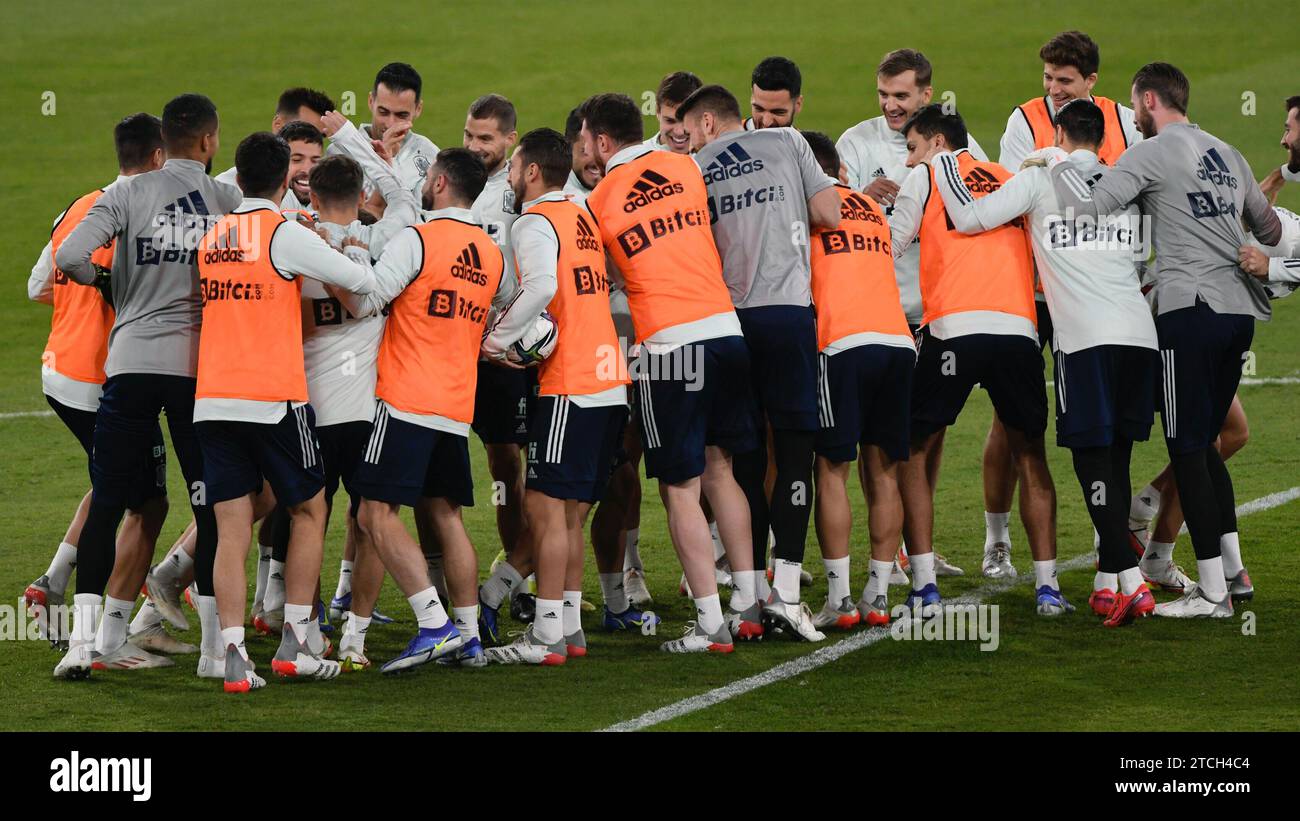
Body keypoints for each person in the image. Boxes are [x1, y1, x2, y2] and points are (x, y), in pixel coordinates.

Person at [1048, 62, 1282, 617]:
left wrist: (1054, 165)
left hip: (1188, 311)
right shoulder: (1229, 152)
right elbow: (1269, 230)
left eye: (1134, 105)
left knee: (1186, 446)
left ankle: (1214, 596)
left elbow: (1085, 209)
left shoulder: (1149, 153)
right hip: (1238, 314)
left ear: (1150, 100)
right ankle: (1232, 573)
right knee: (1203, 443)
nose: (1132, 116)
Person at [932, 99, 1159, 625]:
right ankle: (1109, 582)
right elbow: (1144, 261)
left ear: (1058, 132)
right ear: (1103, 141)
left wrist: (943, 160)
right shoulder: (1124, 186)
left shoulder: (1038, 181)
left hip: (1085, 341)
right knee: (1117, 457)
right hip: (1138, 336)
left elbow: (969, 217)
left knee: (1089, 460)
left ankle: (1131, 580)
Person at [53, 93, 243, 681]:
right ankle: (215, 654)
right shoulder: (227, 200)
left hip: (132, 362)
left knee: (109, 498)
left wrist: (112, 283)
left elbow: (69, 255)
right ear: (209, 142)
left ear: (167, 140)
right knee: (208, 507)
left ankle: (82, 646)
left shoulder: (129, 193)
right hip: (196, 371)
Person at [193, 131, 376, 692]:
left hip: (214, 399)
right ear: (281, 183)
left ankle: (230, 655)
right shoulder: (281, 233)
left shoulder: (212, 237)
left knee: (229, 529)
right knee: (308, 510)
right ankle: (297, 639)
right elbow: (360, 283)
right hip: (274, 398)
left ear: (237, 178)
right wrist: (343, 248)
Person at [582, 92, 756, 653]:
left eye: (587, 140)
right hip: (728, 332)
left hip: (670, 347)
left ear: (602, 143)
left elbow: (611, 276)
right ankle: (750, 605)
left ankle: (710, 625)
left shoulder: (599, 200)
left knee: (679, 487)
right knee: (721, 469)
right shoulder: (685, 166)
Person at [335, 148, 512, 673]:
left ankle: (433, 625)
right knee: (444, 516)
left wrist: (341, 258)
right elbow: (502, 308)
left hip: (405, 397)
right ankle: (468, 635)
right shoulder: (490, 251)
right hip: (457, 403)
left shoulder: (417, 239)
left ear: (437, 183)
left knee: (373, 513)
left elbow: (368, 300)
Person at [677, 83, 841, 642]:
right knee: (795, 449)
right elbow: (830, 212)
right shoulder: (788, 142)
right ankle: (787, 594)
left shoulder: (694, 168)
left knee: (740, 458)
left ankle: (746, 597)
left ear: (702, 125)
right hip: (787, 314)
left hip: (726, 323)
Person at [890, 104, 1065, 618]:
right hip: (1018, 330)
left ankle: (923, 584)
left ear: (937, 144)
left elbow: (890, 245)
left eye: (913, 148)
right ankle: (1048, 588)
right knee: (1030, 453)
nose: (908, 162)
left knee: (914, 449)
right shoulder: (1014, 179)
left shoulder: (928, 176)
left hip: (955, 329)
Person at [980, 31, 1144, 578]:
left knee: (1114, 426)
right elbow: (1014, 190)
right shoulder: (1022, 120)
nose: (1052, 90)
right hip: (1035, 291)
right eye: (1048, 79)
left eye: (1065, 81)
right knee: (1013, 419)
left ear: (1092, 82)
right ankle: (997, 538)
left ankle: (1112, 545)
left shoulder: (1123, 121)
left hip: (1100, 294)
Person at [479, 128, 634, 664]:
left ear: (530, 172)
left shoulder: (534, 221)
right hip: (611, 379)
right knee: (567, 514)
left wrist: (496, 340)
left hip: (571, 383)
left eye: (514, 167)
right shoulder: (582, 215)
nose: (509, 176)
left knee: (544, 509)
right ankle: (568, 628)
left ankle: (545, 634)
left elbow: (542, 286)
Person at [837, 49, 991, 580]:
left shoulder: (953, 143)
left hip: (937, 310)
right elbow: (832, 209)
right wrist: (865, 196)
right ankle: (891, 554)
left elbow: (982, 200)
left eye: (901, 96)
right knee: (882, 440)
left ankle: (916, 547)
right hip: (882, 311)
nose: (890, 106)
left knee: (929, 432)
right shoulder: (855, 143)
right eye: (883, 94)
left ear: (927, 94)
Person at [24, 113, 171, 652]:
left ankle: (53, 583)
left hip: (57, 372)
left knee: (110, 477)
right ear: (159, 158)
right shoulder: (147, 215)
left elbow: (39, 284)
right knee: (146, 504)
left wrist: (81, 304)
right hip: (102, 381)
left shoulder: (78, 206)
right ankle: (110, 638)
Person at [309, 110, 424, 668]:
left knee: (303, 517)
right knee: (374, 518)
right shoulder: (382, 237)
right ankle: (354, 636)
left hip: (303, 407)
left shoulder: (292, 244)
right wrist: (350, 135)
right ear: (359, 194)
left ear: (310, 195)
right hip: (366, 410)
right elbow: (402, 191)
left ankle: (304, 631)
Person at [800, 131, 915, 629]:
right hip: (897, 342)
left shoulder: (802, 210)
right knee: (885, 470)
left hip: (841, 344)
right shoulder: (872, 211)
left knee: (832, 470)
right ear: (843, 172)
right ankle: (879, 594)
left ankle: (841, 600)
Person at [327, 62, 437, 204]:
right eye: (383, 112)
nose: (390, 123)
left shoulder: (430, 154)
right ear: (371, 101)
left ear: (418, 109)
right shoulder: (340, 152)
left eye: (401, 115)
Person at [643, 71, 703, 153]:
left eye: (687, 121)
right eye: (670, 121)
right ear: (658, 111)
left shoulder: (714, 159)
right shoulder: (635, 158)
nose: (679, 132)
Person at [746, 56, 803, 129]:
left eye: (778, 112)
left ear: (798, 104)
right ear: (752, 97)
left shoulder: (805, 140)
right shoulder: (729, 138)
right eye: (759, 109)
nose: (766, 123)